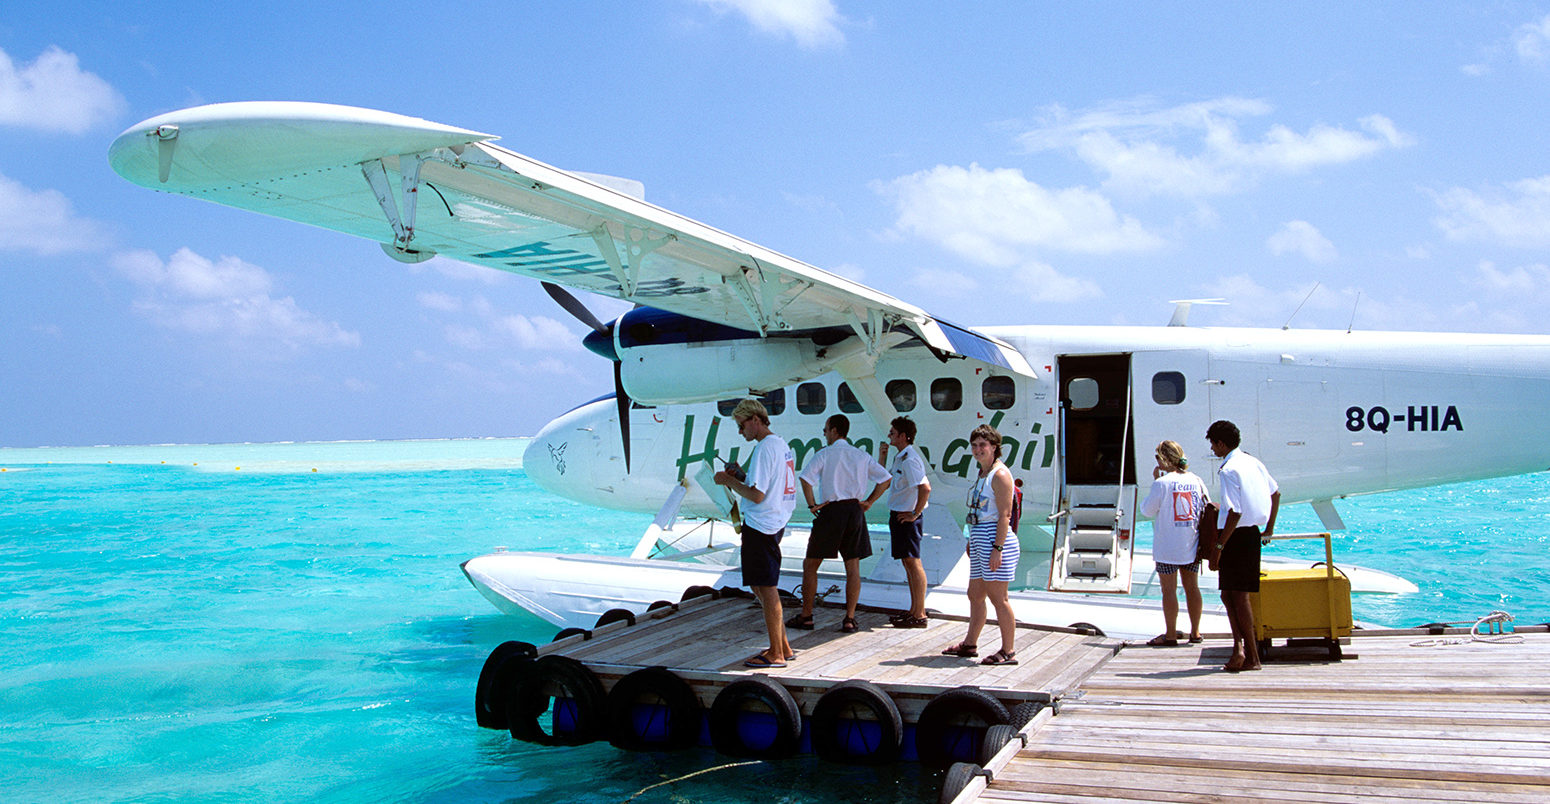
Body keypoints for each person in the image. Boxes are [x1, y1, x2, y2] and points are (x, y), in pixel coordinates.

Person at [714, 399, 798, 668]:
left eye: (741, 426)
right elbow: (766, 484)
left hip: (762, 524)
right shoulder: (780, 444)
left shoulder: (763, 449)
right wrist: (740, 474)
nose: (741, 432)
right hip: (776, 521)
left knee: (766, 587)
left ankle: (775, 653)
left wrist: (729, 481)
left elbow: (757, 494)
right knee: (759, 585)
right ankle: (782, 644)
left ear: (754, 420)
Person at [790, 414, 891, 634]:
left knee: (811, 565)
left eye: (825, 430)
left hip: (831, 509)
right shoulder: (860, 455)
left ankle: (806, 615)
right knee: (852, 566)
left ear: (834, 431)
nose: (824, 434)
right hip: (854, 510)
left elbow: (805, 479)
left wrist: (811, 505)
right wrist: (869, 502)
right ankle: (849, 618)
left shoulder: (825, 453)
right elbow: (885, 479)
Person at [1206, 419, 1281, 673]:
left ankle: (1250, 655)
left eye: (1214, 445)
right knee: (1230, 595)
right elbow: (1275, 493)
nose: (1213, 451)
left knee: (1236, 596)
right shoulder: (1253, 462)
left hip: (1235, 537)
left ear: (1221, 443)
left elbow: (1234, 512)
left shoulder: (1229, 469)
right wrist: (1269, 528)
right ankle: (1241, 650)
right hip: (1251, 535)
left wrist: (1218, 547)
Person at [942, 424, 1020, 666]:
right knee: (975, 594)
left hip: (995, 540)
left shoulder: (1000, 475)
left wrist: (997, 549)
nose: (978, 450)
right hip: (980, 537)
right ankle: (970, 643)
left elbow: (1004, 516)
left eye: (983, 445)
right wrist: (971, 539)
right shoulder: (983, 474)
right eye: (974, 445)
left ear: (995, 447)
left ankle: (1008, 651)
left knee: (999, 598)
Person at [1139, 440, 1208, 646]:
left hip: (1167, 547)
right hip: (1191, 544)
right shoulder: (1196, 479)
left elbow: (1147, 510)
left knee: (1168, 591)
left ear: (1164, 458)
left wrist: (1154, 482)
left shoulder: (1162, 483)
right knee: (1192, 588)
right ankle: (1195, 633)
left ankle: (1170, 635)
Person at [878, 416, 932, 628]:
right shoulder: (900, 458)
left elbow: (924, 487)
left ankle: (919, 614)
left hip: (906, 516)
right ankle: (914, 610)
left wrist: (915, 514)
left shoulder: (909, 459)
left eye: (892, 432)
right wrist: (882, 456)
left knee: (913, 562)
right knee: (908, 563)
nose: (889, 436)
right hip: (899, 515)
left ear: (902, 436)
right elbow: (885, 478)